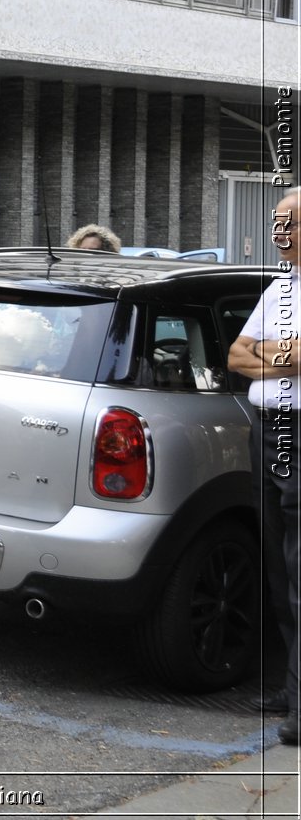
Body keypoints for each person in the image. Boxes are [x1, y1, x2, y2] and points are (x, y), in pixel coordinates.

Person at [226, 186, 301, 747]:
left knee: (300, 571)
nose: (281, 233)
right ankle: (291, 688)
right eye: (278, 223)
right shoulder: (279, 288)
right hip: (267, 432)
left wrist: (265, 360)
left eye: (290, 223)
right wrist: (282, 359)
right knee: (278, 567)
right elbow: (233, 355)